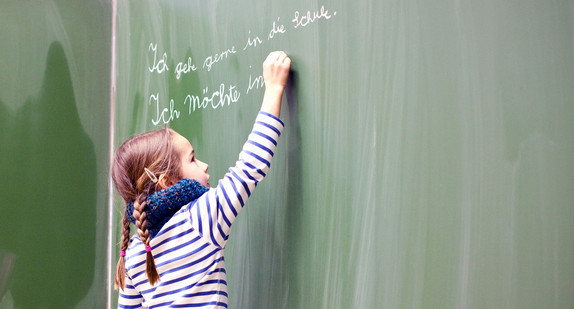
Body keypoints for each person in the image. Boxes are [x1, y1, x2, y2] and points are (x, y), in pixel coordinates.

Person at [112, 51, 291, 308]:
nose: (204, 165)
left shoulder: (132, 257)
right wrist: (274, 89)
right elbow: (250, 166)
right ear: (168, 182)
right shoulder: (200, 220)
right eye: (193, 159)